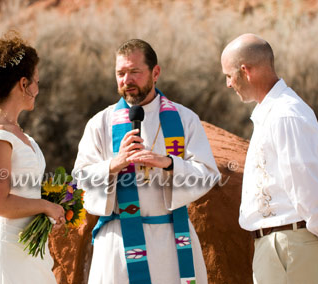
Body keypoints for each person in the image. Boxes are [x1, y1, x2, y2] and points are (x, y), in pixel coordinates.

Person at [73, 39, 220, 284]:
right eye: (120, 73)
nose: (126, 80)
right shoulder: (101, 123)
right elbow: (80, 177)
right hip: (118, 242)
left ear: (156, 72)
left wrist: (169, 163)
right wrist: (113, 165)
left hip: (172, 238)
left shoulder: (184, 119)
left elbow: (207, 173)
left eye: (135, 72)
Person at [221, 33, 318, 283]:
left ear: (245, 71)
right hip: (281, 245)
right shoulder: (273, 112)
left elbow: (305, 186)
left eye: (228, 75)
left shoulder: (284, 115)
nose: (227, 84)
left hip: (289, 244)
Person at [0, 32, 65, 284]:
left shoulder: (13, 129)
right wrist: (46, 206)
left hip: (26, 251)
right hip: (6, 256)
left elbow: (21, 188)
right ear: (23, 84)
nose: (37, 89)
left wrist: (51, 203)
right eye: (36, 82)